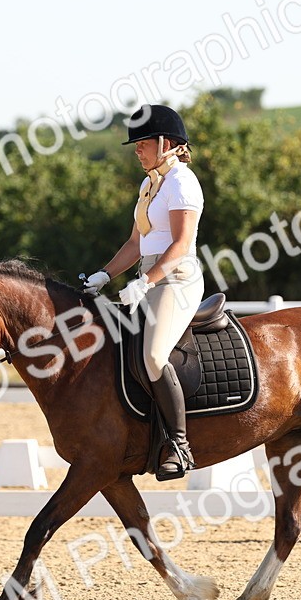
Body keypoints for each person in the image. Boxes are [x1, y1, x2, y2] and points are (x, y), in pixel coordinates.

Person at [82, 105, 205, 480]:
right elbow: (136, 242)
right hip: (148, 278)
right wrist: (104, 274)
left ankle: (179, 444)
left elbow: (181, 245)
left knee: (153, 356)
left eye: (142, 143)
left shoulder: (183, 182)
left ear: (166, 144)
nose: (136, 150)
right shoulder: (150, 183)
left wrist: (146, 281)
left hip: (176, 281)